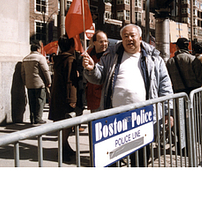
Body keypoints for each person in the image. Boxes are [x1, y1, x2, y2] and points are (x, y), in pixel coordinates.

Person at [82, 24, 173, 166]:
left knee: (140, 160)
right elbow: (98, 77)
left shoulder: (154, 59)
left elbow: (165, 86)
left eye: (132, 35)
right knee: (112, 159)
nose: (129, 39)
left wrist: (168, 111)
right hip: (115, 120)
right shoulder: (111, 56)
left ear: (140, 38)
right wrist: (91, 69)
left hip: (142, 118)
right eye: (125, 36)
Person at [48, 35, 79, 162]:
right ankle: (63, 150)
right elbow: (69, 81)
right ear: (72, 46)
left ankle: (65, 147)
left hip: (57, 95)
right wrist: (72, 99)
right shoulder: (70, 59)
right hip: (66, 97)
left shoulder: (58, 58)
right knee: (66, 125)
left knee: (61, 123)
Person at [21, 41, 51, 124]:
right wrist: (49, 81)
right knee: (40, 101)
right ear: (38, 49)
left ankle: (32, 118)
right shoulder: (40, 58)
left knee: (31, 101)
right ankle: (38, 118)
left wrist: (25, 82)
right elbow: (45, 70)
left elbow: (22, 73)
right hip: (39, 83)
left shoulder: (25, 58)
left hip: (29, 84)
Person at [85, 30, 108, 113]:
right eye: (101, 42)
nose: (104, 44)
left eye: (106, 41)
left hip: (105, 97)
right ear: (94, 42)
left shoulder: (111, 56)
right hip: (92, 97)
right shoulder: (88, 55)